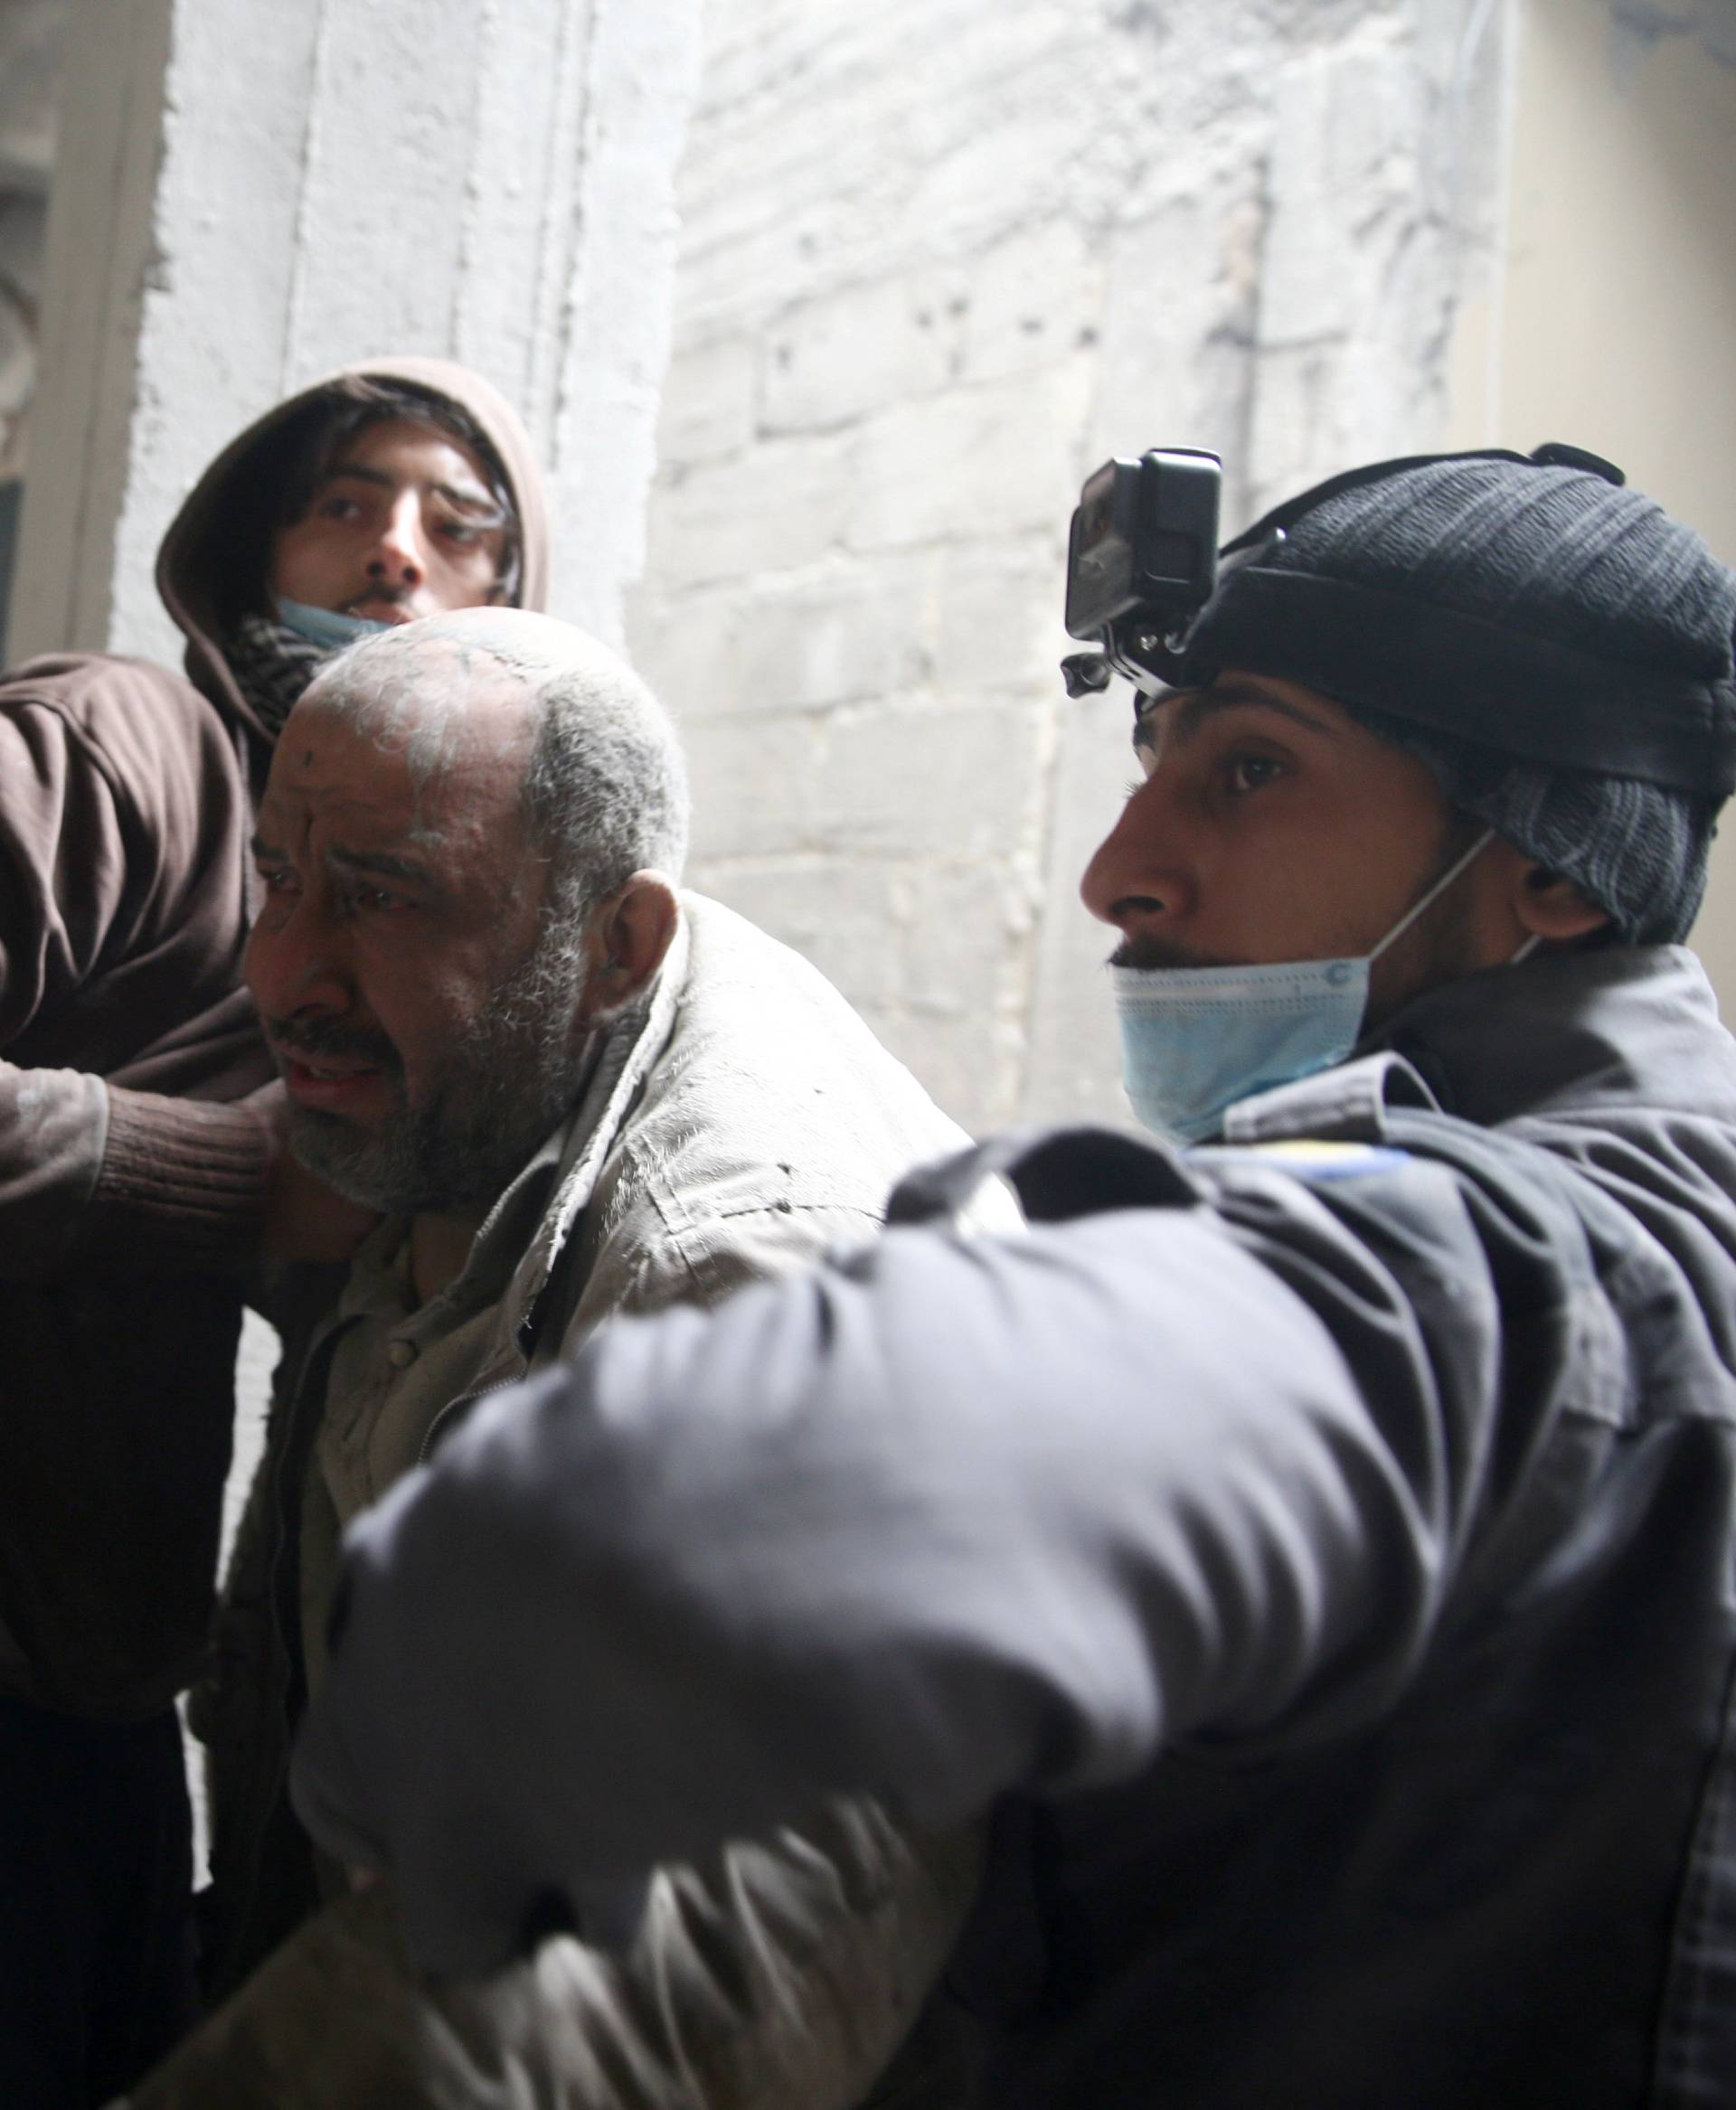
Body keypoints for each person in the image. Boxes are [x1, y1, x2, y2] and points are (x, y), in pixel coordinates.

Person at [293, 447, 1736, 2105]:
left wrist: (561, 1540)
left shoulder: (1568, 1262)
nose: (1120, 867)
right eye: (1154, 757)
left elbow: (1313, 1323)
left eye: (1250, 770)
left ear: (1553, 862)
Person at [127, 607, 981, 2107]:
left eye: (384, 897)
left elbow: (703, 1970)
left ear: (617, 941)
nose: (282, 971)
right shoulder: (497, 1060)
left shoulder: (736, 1279)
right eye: (277, 876)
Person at [0, 355, 541, 2109]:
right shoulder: (118, 747)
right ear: (248, 569)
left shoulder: (421, 913)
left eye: (460, 529)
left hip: (97, 1675)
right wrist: (224, 1179)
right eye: (346, 506)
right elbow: (262, 1191)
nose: (400, 554)